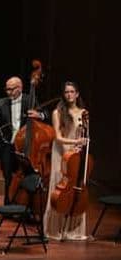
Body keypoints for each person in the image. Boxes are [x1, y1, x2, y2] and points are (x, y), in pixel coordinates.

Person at [43, 82, 90, 240]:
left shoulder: (84, 113)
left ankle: (72, 229)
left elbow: (85, 136)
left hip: (76, 154)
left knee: (75, 187)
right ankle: (55, 229)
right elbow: (58, 137)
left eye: (72, 92)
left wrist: (83, 144)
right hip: (62, 152)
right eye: (66, 92)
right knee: (60, 187)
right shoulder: (58, 112)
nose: (69, 94)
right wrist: (75, 143)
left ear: (77, 94)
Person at [0, 76, 47, 204]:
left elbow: (46, 113)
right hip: (8, 144)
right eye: (7, 90)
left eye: (12, 89)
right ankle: (8, 203)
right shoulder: (0, 103)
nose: (9, 93)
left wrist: (40, 115)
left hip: (26, 145)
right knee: (7, 175)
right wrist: (2, 139)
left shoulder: (30, 100)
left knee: (27, 175)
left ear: (20, 88)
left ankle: (25, 206)